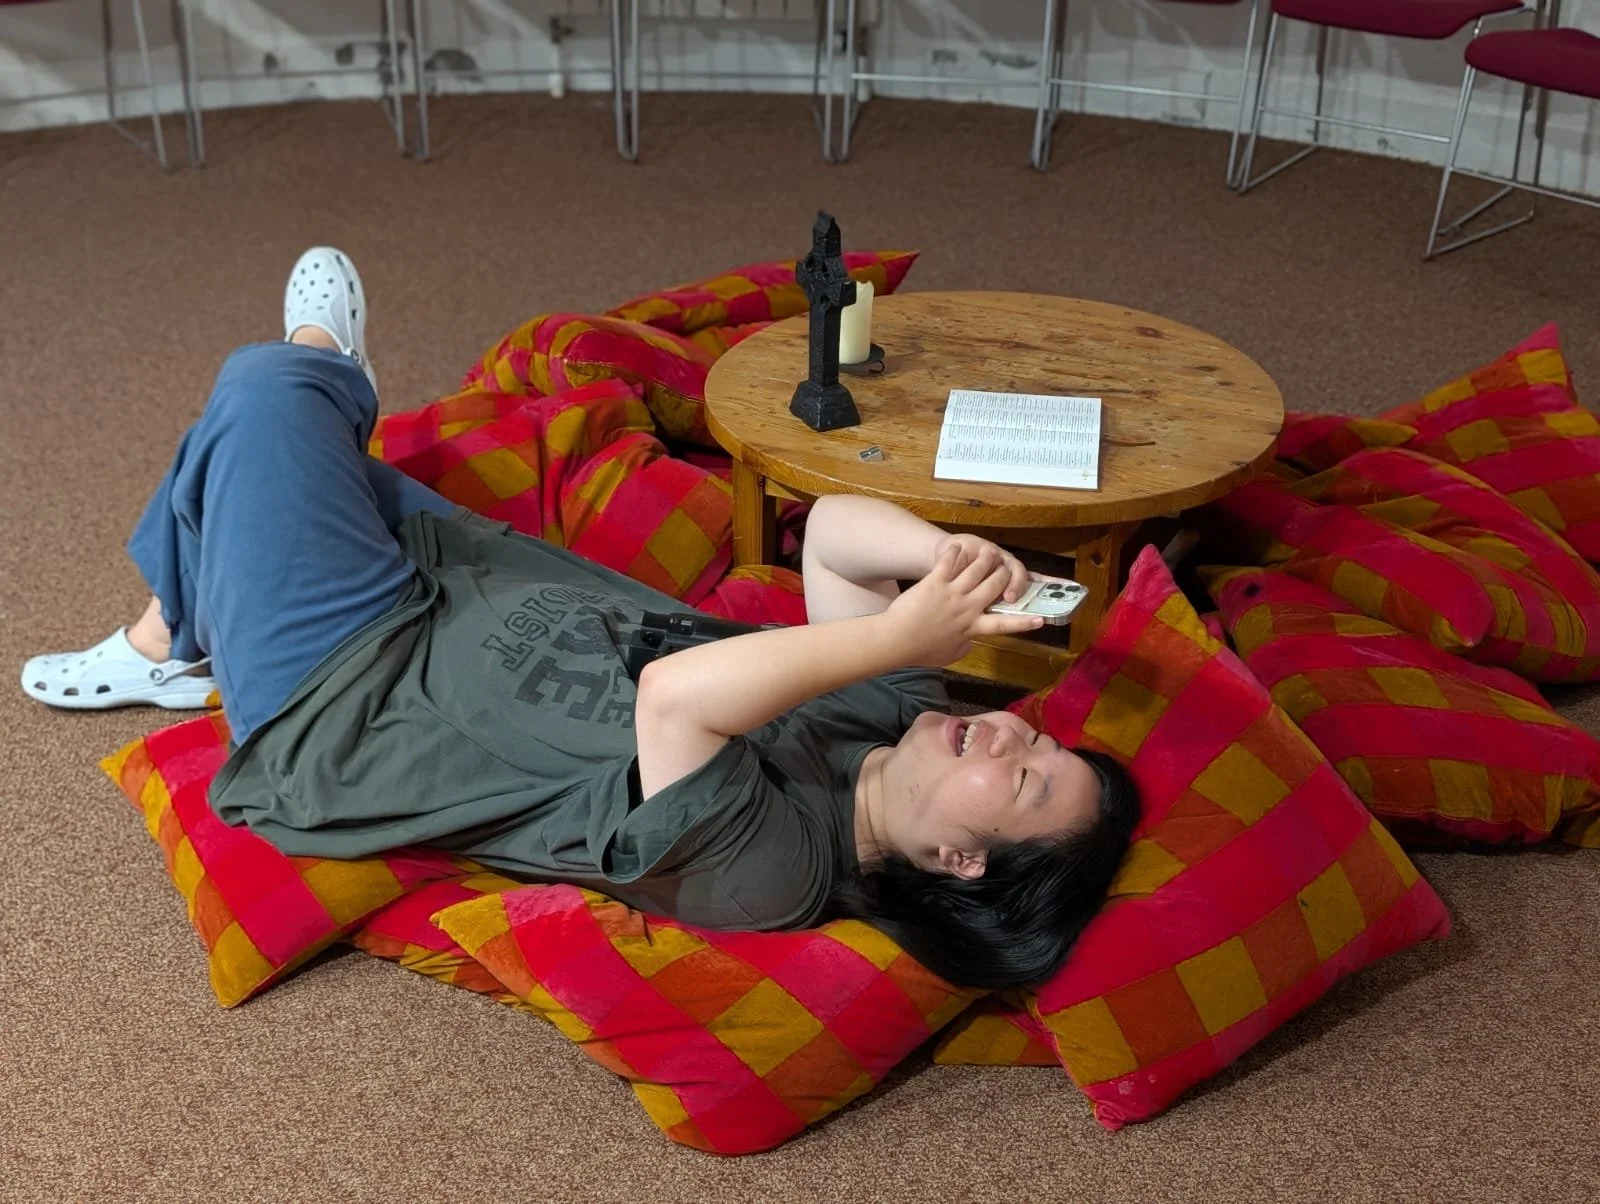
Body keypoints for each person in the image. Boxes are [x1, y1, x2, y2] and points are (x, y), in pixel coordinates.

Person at [20, 248, 1139, 991]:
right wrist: (944, 557)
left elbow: (678, 700)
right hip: (450, 572)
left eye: (1028, 780)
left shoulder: (780, 876)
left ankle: (329, 377)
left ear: (957, 859)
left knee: (265, 396)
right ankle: (175, 638)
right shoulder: (891, 717)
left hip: (348, 693)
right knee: (252, 462)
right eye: (1039, 738)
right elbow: (839, 534)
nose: (1011, 731)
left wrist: (899, 634)